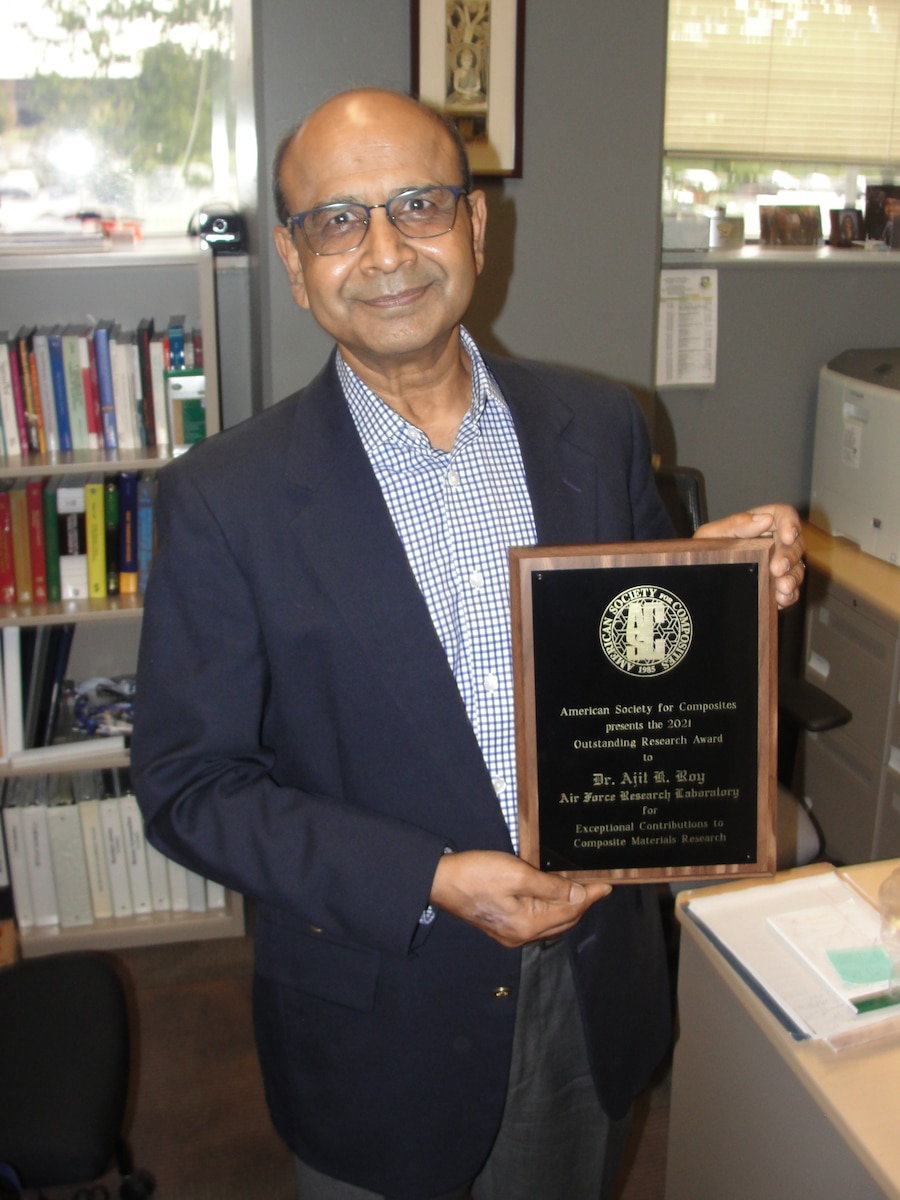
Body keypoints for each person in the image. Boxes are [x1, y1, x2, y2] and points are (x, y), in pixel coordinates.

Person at [132, 88, 805, 1200]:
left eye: (419, 204)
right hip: (384, 1012)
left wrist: (735, 583)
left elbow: (653, 651)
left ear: (478, 232)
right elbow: (187, 787)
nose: (387, 250)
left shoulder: (598, 424)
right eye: (338, 221)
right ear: (297, 267)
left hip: (593, 975)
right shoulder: (223, 501)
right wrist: (429, 879)